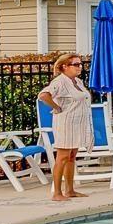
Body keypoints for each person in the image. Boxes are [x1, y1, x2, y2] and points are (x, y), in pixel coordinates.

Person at [38, 53, 94, 201]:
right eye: (76, 65)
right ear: (64, 66)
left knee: (71, 157)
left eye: (80, 64)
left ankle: (70, 190)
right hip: (65, 124)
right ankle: (57, 193)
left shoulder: (77, 82)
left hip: (76, 125)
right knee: (62, 157)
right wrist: (56, 107)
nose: (79, 67)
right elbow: (43, 95)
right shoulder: (60, 82)